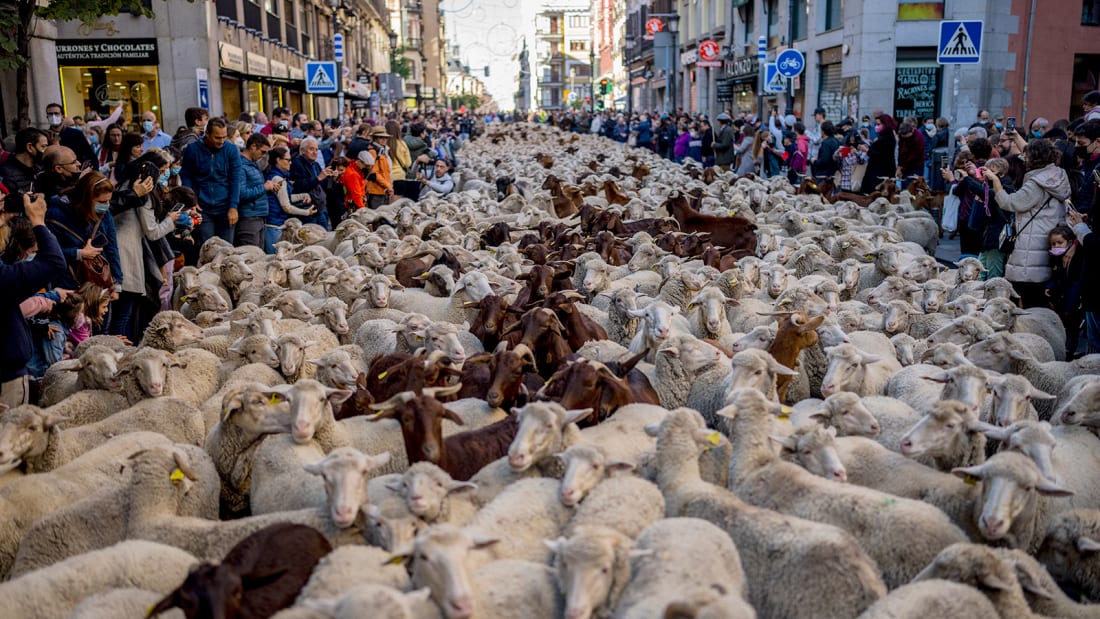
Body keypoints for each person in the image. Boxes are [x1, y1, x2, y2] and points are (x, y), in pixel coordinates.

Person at [983, 138, 1071, 308]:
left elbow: (1010, 202)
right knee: (1041, 296)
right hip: (1048, 239)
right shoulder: (1057, 176)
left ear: (1034, 157)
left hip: (1031, 247)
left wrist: (995, 182)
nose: (1024, 159)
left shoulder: (1036, 183)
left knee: (1030, 298)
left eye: (1027, 155)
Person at [0, 190, 67, 408]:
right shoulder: (3, 277)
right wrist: (38, 221)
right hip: (5, 380)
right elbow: (54, 262)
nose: (5, 218)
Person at [108, 151, 179, 340]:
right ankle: (121, 350)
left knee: (116, 313)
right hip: (128, 255)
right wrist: (171, 221)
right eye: (162, 172)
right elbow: (152, 231)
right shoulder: (143, 195)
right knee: (124, 313)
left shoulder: (123, 187)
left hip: (117, 251)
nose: (164, 176)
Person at [180, 117, 241, 244]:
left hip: (225, 207)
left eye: (224, 137)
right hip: (202, 207)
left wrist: (233, 206)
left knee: (226, 248)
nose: (222, 141)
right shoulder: (192, 149)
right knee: (207, 247)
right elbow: (186, 175)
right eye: (218, 138)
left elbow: (235, 179)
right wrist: (191, 200)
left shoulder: (231, 149)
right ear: (207, 134)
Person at [964, 157, 1014, 278]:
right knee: (980, 275)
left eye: (990, 171)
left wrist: (967, 178)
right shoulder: (987, 189)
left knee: (993, 276)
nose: (985, 174)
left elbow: (988, 193)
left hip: (997, 241)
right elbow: (973, 223)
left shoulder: (1006, 188)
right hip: (987, 239)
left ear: (1001, 174)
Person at [264, 146, 315, 253]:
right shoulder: (278, 178)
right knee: (276, 258)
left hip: (275, 223)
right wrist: (306, 212)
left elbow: (284, 197)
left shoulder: (277, 176)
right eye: (288, 160)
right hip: (274, 225)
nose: (291, 163)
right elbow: (286, 206)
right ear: (278, 160)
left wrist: (302, 195)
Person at [1044, 224, 1085, 359]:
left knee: (1074, 329)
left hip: (1074, 303)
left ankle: (1071, 352)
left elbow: (1075, 284)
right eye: (1053, 244)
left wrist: (1069, 306)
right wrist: (1049, 287)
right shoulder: (1055, 259)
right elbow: (1055, 277)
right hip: (1060, 301)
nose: (1056, 246)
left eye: (1060, 243)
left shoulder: (1076, 260)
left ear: (1069, 242)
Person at [236, 133, 273, 249]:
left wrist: (269, 188)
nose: (263, 156)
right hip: (249, 218)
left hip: (259, 216)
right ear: (253, 146)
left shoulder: (253, 164)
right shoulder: (241, 166)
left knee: (259, 256)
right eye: (262, 152)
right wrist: (264, 187)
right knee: (251, 256)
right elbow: (242, 193)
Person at [290, 136, 334, 227]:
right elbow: (299, 186)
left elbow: (322, 185)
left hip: (320, 209)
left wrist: (331, 177)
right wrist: (318, 178)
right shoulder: (297, 163)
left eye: (317, 150)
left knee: (324, 237)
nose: (315, 152)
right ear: (302, 150)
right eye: (311, 149)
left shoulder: (316, 164)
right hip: (308, 209)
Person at [0, 128, 47, 193]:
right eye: (43, 146)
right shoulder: (7, 176)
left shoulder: (39, 167)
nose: (46, 150)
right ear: (30, 147)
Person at [860, 114, 898, 194]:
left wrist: (867, 150)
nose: (876, 127)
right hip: (880, 170)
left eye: (879, 124)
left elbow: (881, 154)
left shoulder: (887, 138)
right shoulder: (884, 136)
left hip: (881, 172)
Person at [1074, 120, 1100, 214]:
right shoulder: (1088, 163)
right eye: (1076, 143)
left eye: (1081, 144)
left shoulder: (1097, 168)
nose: (1076, 147)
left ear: (1097, 142)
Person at [386, 120, 416, 202]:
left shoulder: (384, 145)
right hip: (399, 177)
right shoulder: (402, 144)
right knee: (395, 207)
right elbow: (407, 163)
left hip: (386, 178)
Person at [364, 126, 394, 209]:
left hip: (383, 190)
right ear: (375, 138)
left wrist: (389, 187)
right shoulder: (373, 151)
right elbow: (374, 174)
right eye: (381, 137)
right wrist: (388, 186)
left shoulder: (383, 150)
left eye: (386, 137)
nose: (384, 139)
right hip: (376, 191)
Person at [896, 122, 925, 187]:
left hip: (916, 166)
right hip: (905, 165)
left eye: (906, 136)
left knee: (912, 186)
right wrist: (899, 166)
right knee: (904, 185)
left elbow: (914, 157)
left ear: (911, 131)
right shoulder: (902, 136)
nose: (905, 138)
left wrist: (902, 168)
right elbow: (900, 151)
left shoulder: (918, 138)